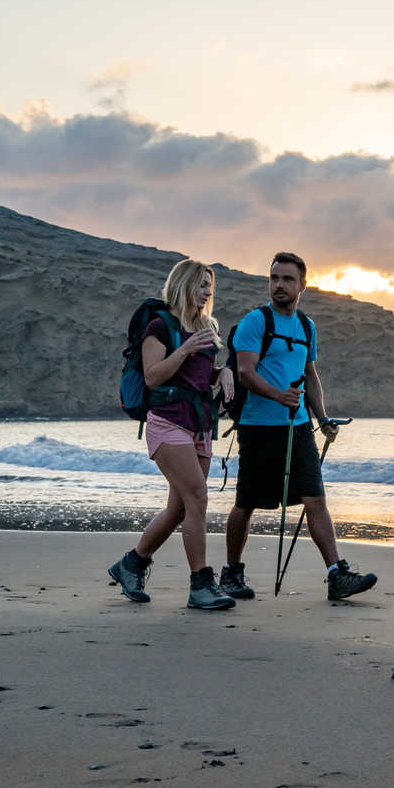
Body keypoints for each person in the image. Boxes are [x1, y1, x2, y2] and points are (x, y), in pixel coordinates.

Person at [221, 252, 376, 601]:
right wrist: (279, 396)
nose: (279, 285)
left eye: (287, 279)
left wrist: (322, 418)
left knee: (315, 499)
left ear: (302, 285)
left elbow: (311, 375)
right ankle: (231, 572)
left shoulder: (307, 326)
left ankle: (337, 574)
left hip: (299, 427)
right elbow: (245, 372)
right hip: (258, 427)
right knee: (246, 502)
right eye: (274, 278)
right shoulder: (255, 322)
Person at [108, 259, 237, 610]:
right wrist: (184, 348)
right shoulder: (160, 326)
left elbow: (200, 376)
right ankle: (200, 585)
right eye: (201, 284)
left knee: (179, 509)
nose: (207, 292)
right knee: (198, 497)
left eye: (210, 285)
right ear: (183, 285)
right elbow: (153, 376)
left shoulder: (207, 326)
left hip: (200, 425)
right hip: (166, 423)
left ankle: (131, 564)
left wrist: (222, 373)